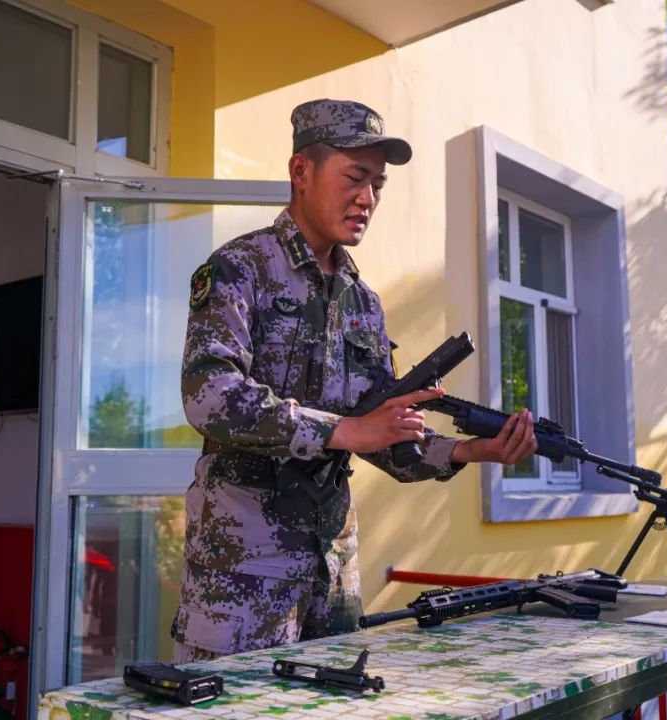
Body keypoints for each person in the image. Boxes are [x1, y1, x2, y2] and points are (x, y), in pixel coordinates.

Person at [171, 99, 538, 662]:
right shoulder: (240, 268)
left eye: (378, 185)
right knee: (238, 704)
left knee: (336, 699)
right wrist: (343, 432)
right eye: (354, 178)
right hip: (243, 575)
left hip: (333, 571)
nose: (367, 198)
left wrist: (469, 451)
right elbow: (209, 396)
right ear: (301, 171)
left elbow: (382, 434)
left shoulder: (362, 302)